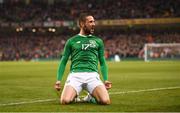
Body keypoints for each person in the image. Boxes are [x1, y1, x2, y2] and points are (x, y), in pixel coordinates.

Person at [54, 13, 112, 105]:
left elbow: (102, 61)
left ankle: (90, 98)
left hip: (92, 75)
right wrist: (58, 80)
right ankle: (75, 96)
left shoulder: (98, 41)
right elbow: (63, 61)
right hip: (75, 75)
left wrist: (105, 79)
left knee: (105, 101)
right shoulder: (71, 41)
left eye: (94, 22)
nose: (93, 24)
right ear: (82, 24)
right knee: (65, 101)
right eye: (90, 22)